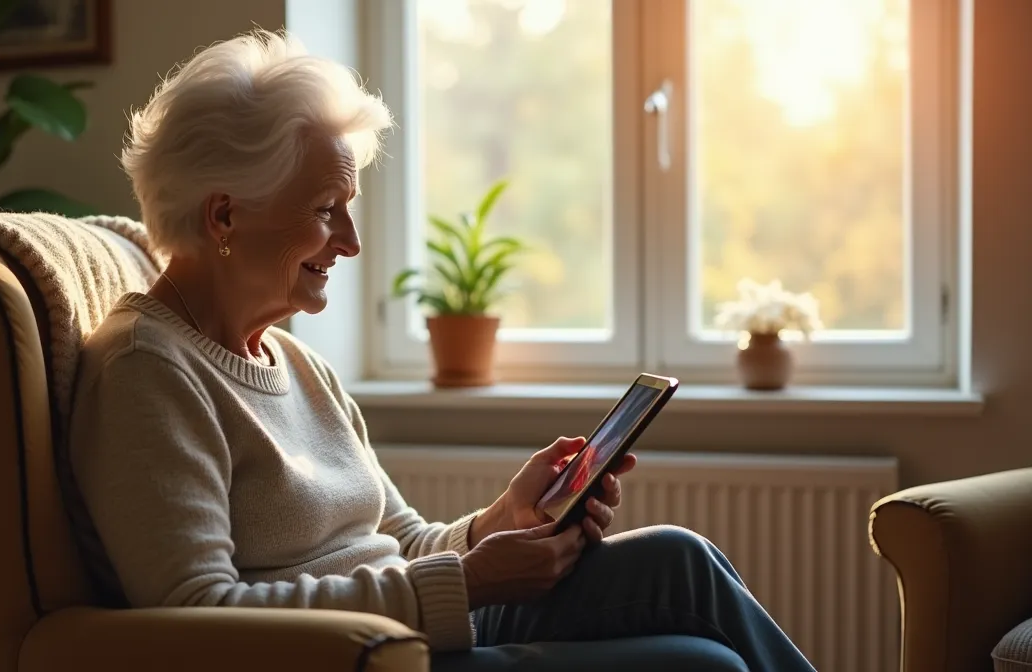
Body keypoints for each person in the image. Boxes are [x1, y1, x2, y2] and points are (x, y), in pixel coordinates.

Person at [67, 29, 816, 671]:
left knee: (682, 559)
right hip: (359, 660)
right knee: (702, 666)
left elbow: (402, 542)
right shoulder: (147, 371)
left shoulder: (299, 367)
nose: (351, 243)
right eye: (326, 212)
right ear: (224, 215)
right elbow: (197, 614)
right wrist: (473, 582)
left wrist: (499, 523)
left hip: (423, 630)